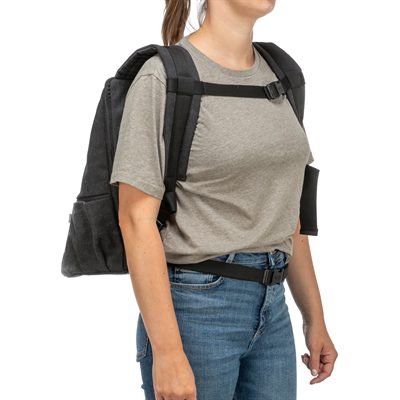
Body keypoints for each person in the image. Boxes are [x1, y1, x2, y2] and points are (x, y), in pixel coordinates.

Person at [109, 0, 338, 399]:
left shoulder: (280, 75)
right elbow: (135, 220)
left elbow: (287, 212)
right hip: (195, 309)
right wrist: (168, 352)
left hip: (273, 306)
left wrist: (313, 317)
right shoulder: (162, 78)